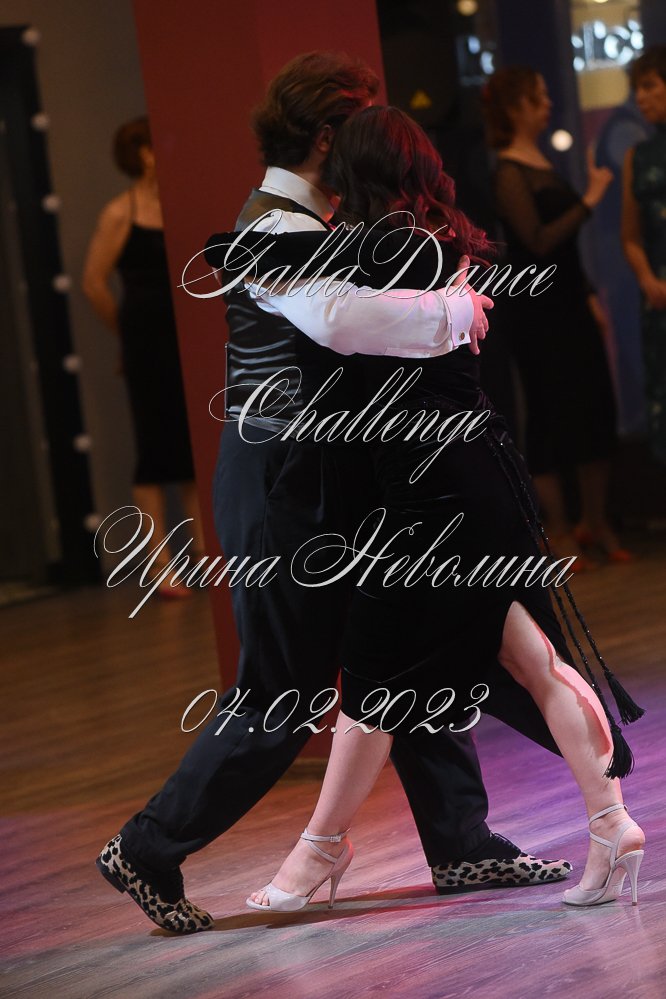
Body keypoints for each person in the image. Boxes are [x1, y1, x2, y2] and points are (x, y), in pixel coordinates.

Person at [96, 53, 571, 936]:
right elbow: (339, 321)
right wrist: (455, 313)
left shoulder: (323, 220)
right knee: (286, 688)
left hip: (333, 473)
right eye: (359, 123)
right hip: (281, 482)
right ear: (325, 137)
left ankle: (461, 840)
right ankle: (148, 847)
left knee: (406, 648)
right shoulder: (272, 228)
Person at [222, 106, 646, 914]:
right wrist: (455, 308)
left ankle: (318, 851)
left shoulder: (385, 247)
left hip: (433, 494)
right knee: (530, 658)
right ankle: (611, 821)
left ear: (354, 170)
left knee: (377, 676)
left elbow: (337, 325)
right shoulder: (434, 237)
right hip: (472, 476)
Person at [482, 67, 630, 565]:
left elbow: (565, 255)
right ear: (517, 107)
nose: (547, 105)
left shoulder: (541, 160)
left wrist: (588, 295)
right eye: (539, 97)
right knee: (549, 413)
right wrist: (589, 200)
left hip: (568, 303)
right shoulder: (508, 170)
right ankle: (560, 531)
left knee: (594, 405)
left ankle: (596, 522)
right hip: (536, 312)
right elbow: (538, 242)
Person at [82, 117, 203, 595]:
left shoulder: (177, 205)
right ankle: (160, 566)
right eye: (147, 148)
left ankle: (207, 554)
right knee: (154, 452)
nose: (155, 155)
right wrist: (123, 334)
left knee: (192, 448)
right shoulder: (120, 212)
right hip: (145, 341)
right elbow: (94, 282)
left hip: (183, 337)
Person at [622, 47, 666, 464]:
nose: (641, 97)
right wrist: (648, 280)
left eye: (650, 85)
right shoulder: (639, 155)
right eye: (637, 88)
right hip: (659, 297)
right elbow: (631, 235)